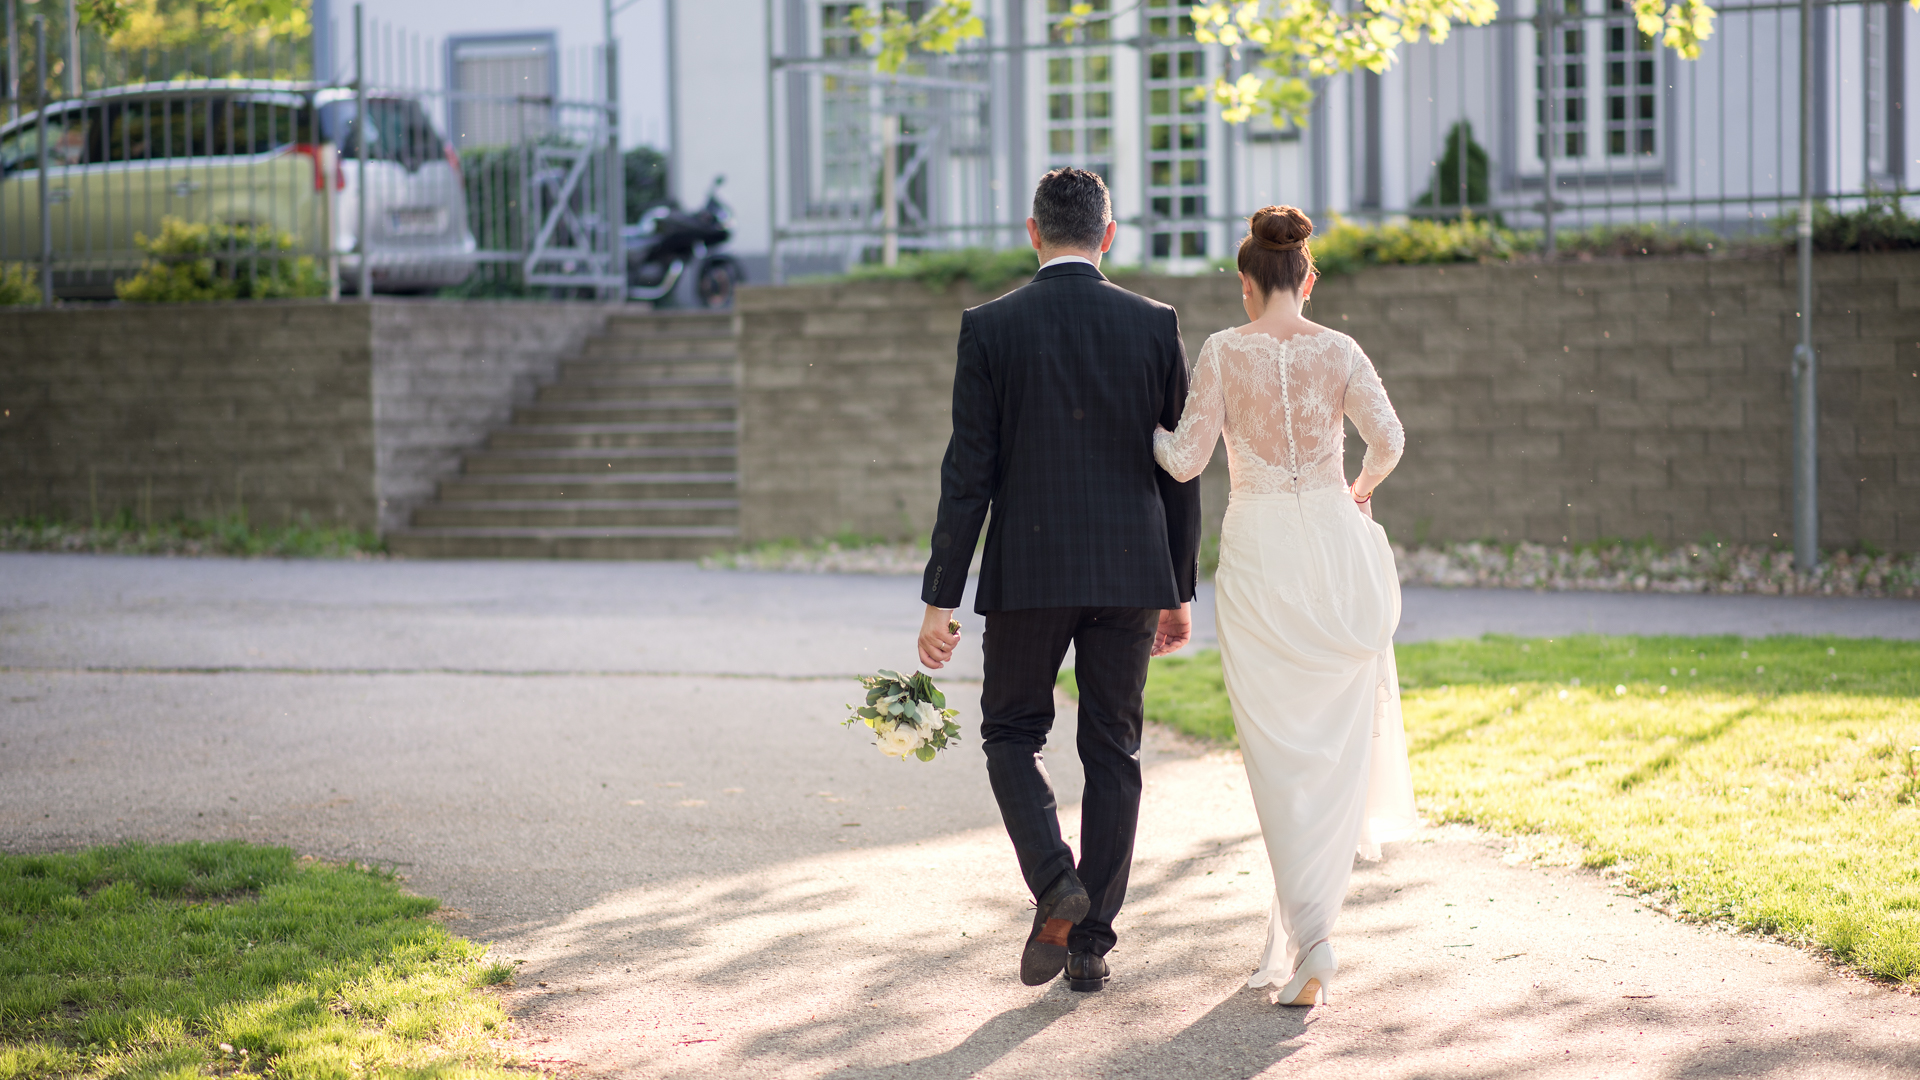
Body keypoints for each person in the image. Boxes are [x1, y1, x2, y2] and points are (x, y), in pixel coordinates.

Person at [915, 168, 1203, 994]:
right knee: (1113, 748)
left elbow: (969, 471)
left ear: (1033, 232)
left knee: (1011, 733)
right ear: (1108, 236)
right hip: (1129, 571)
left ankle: (1054, 883)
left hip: (1029, 570)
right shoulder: (1154, 325)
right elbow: (1179, 471)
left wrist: (941, 596)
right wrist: (1179, 588)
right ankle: (1090, 945)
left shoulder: (990, 327)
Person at [1151, 205, 1419, 1006]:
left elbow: (1184, 459)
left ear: (1245, 284)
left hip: (1262, 549)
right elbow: (1391, 439)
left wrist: (1141, 425)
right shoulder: (1339, 350)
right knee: (1333, 747)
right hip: (1334, 547)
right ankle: (1315, 933)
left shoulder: (1223, 352)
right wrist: (1357, 491)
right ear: (1309, 276)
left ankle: (1316, 938)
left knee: (1275, 751)